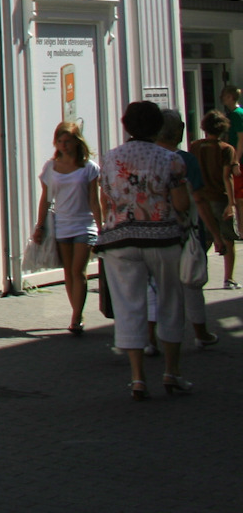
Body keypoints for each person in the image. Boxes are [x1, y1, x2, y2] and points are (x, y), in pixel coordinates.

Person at [97, 100, 193, 400]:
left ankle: (138, 378)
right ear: (158, 127)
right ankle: (171, 372)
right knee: (170, 302)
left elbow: (106, 199)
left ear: (126, 125)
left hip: (120, 238)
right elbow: (181, 203)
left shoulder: (110, 159)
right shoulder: (171, 159)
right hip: (163, 237)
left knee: (129, 305)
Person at [157, 110, 223, 349]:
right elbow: (199, 199)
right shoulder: (186, 160)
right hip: (185, 231)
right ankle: (200, 332)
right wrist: (217, 236)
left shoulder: (148, 157)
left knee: (156, 287)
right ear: (178, 131)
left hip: (153, 230)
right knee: (191, 283)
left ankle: (151, 339)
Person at [31, 121, 100, 336]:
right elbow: (45, 198)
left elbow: (94, 200)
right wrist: (40, 225)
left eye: (67, 141)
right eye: (60, 141)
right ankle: (76, 310)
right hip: (62, 224)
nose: (63, 145)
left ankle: (76, 316)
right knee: (68, 272)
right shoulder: (51, 167)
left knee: (78, 270)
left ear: (77, 142)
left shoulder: (89, 168)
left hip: (84, 224)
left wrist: (102, 227)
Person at [189, 110, 238, 289]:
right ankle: (228, 279)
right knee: (228, 239)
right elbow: (228, 177)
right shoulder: (226, 149)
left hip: (201, 198)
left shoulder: (195, 147)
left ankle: (199, 274)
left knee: (204, 239)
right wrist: (231, 204)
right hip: (220, 198)